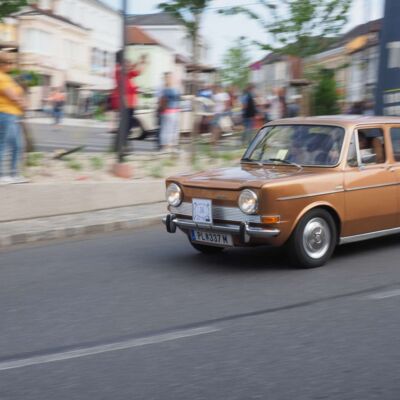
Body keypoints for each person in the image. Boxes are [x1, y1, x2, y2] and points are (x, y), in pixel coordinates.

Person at [0, 52, 27, 184]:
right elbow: (12, 97)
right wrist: (22, 103)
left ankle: (14, 174)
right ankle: (1, 176)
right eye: (9, 63)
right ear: (2, 64)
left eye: (12, 63)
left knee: (17, 145)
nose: (11, 65)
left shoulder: (8, 77)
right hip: (5, 114)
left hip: (13, 115)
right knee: (2, 144)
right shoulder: (2, 77)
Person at [111, 51, 147, 148]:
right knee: (126, 124)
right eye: (126, 63)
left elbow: (138, 71)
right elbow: (122, 88)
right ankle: (121, 144)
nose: (129, 66)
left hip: (130, 103)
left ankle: (122, 143)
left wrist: (141, 62)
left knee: (127, 124)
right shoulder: (119, 71)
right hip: (125, 103)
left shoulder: (126, 74)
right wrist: (138, 61)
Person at [159, 72, 181, 152]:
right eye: (169, 77)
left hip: (175, 111)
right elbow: (162, 100)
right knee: (167, 129)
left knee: (174, 130)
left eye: (171, 77)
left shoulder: (175, 88)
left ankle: (172, 146)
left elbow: (178, 99)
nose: (171, 79)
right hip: (168, 111)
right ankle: (166, 147)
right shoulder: (164, 89)